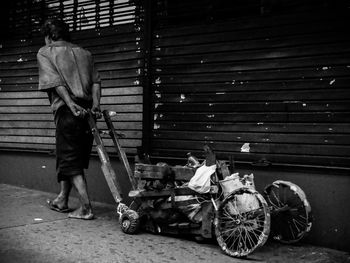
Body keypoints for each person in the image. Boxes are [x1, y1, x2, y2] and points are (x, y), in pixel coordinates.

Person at [37, 18, 101, 220]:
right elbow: (96, 83)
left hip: (68, 111)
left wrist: (70, 104)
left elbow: (54, 82)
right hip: (88, 112)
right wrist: (96, 105)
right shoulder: (85, 53)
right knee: (71, 156)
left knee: (70, 160)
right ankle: (62, 199)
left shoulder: (45, 52)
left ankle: (86, 208)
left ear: (48, 36)